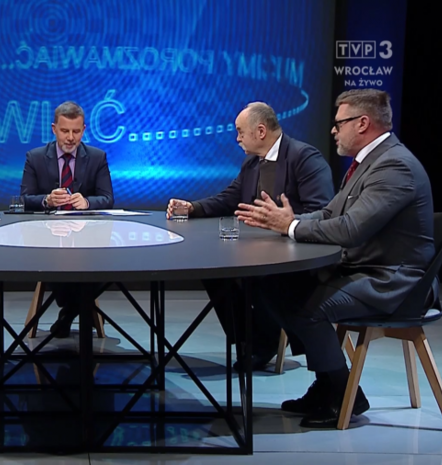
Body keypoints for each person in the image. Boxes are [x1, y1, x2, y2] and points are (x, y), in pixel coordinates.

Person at [236, 89, 438, 428]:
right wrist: (288, 221)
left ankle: (344, 394)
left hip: (395, 280)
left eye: (339, 123)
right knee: (273, 285)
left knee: (308, 308)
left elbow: (351, 229)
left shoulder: (395, 166)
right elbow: (331, 213)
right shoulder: (367, 162)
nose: (333, 130)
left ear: (363, 123)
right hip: (365, 267)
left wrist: (292, 227)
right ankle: (327, 383)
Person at [167, 102, 334, 372]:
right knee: (215, 272)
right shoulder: (252, 163)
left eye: (240, 132)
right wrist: (192, 208)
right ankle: (253, 340)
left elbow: (323, 211)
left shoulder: (304, 158)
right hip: (258, 246)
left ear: (260, 131)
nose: (237, 138)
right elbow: (230, 198)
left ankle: (264, 342)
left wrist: (286, 223)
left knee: (260, 277)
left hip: (294, 249)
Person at [20, 102, 114, 337]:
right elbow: (25, 199)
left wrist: (87, 203)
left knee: (106, 265)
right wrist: (47, 200)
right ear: (54, 129)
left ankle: (69, 313)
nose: (71, 138)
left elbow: (108, 198)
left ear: (84, 130)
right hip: (48, 239)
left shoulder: (97, 157)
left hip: (88, 239)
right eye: (65, 131)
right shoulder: (35, 158)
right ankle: (81, 308)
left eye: (76, 131)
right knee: (58, 260)